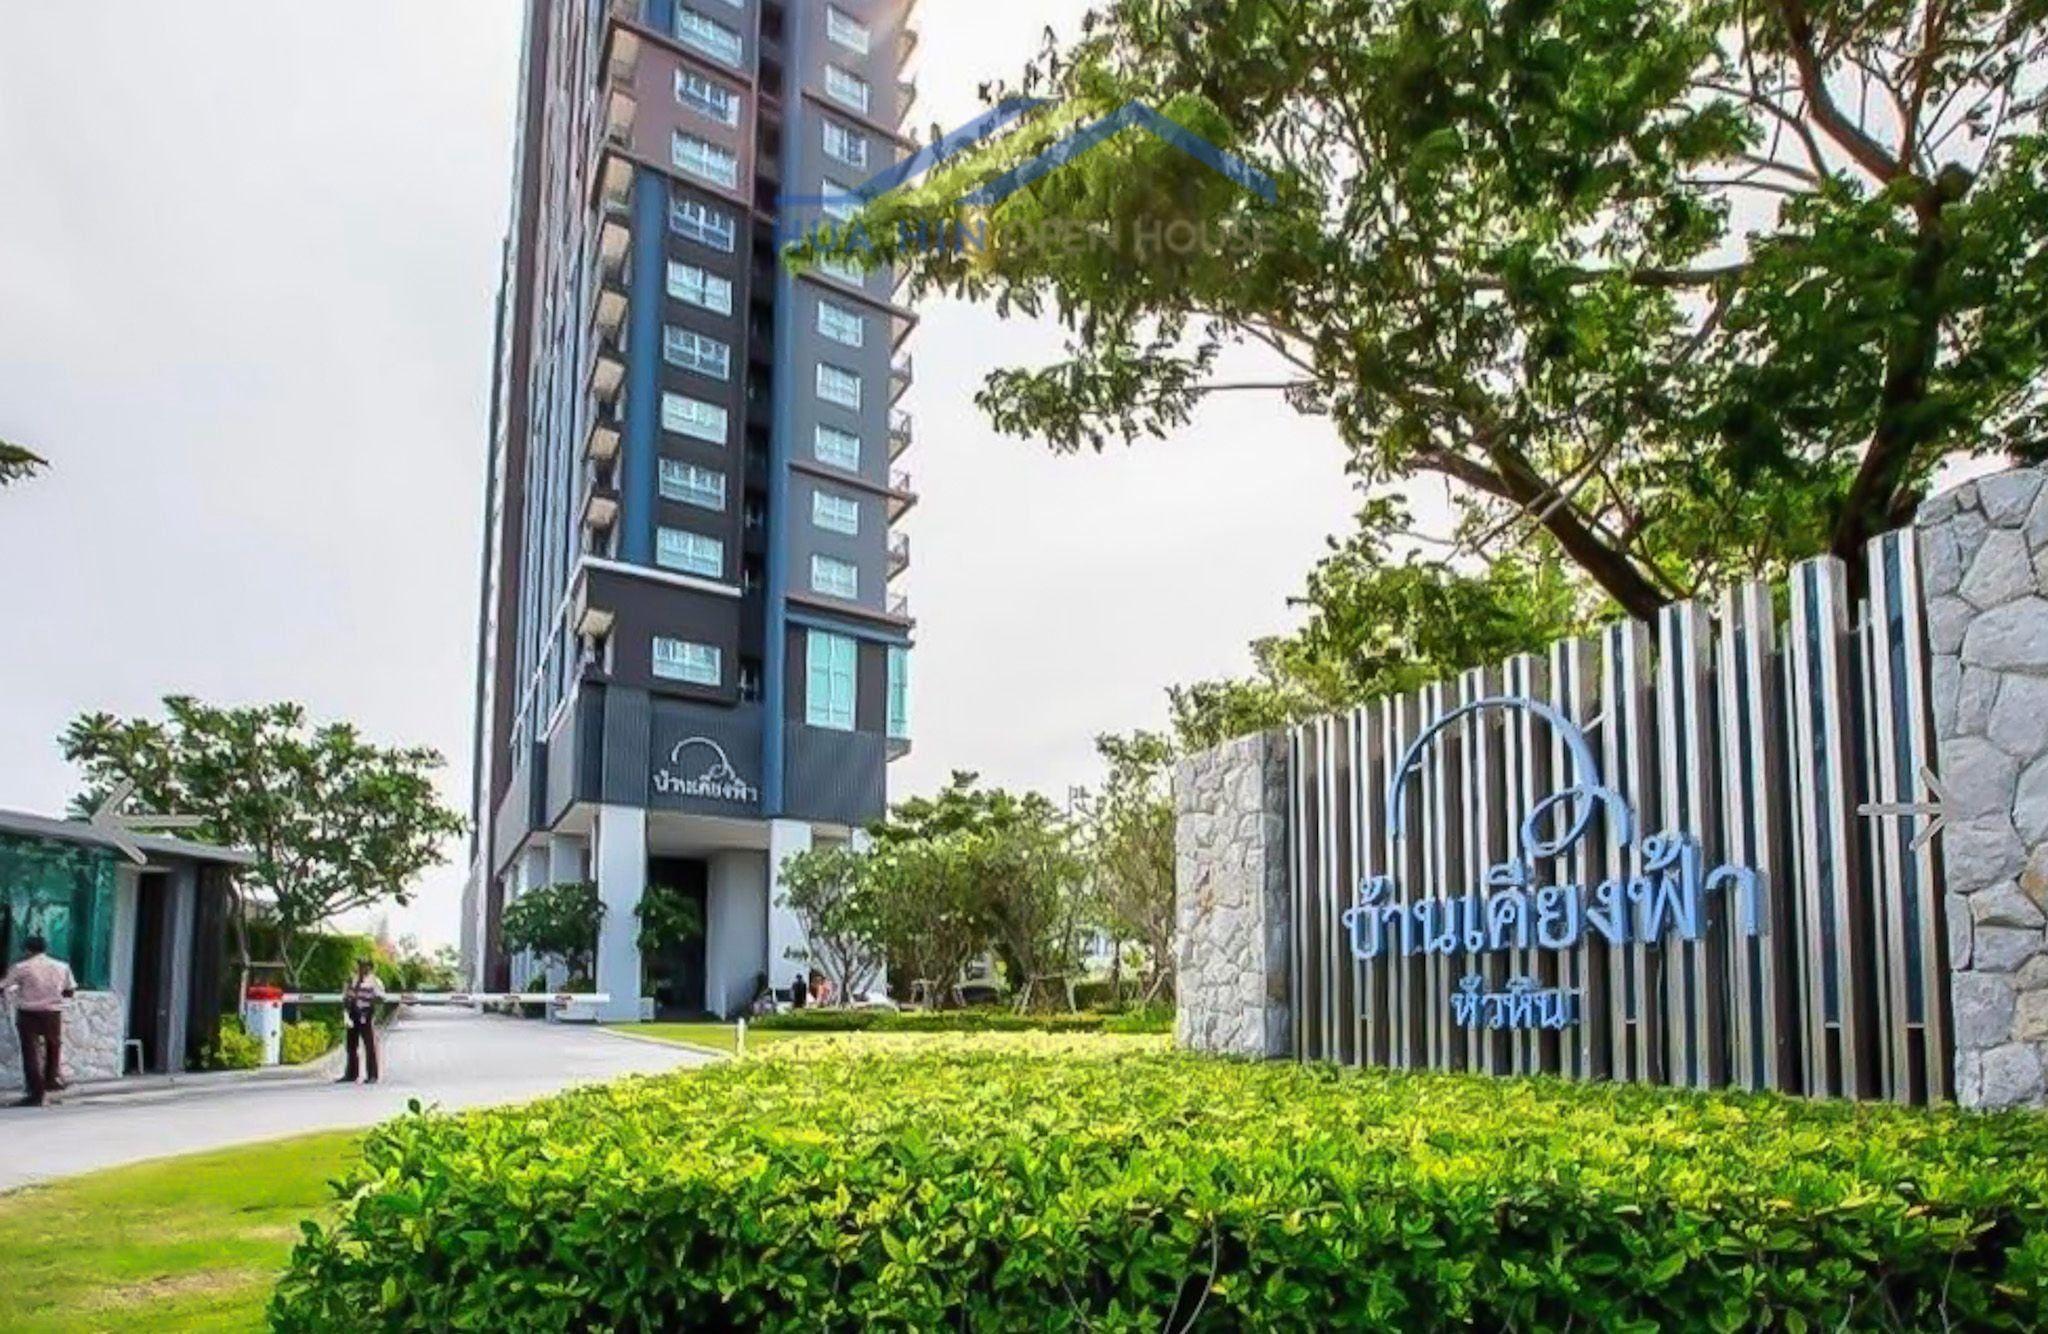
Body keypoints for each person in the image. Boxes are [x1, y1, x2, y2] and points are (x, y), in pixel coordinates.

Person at [2, 934, 77, 1108]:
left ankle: (36, 1093)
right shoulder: (61, 966)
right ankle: (51, 1080)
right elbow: (70, 990)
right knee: (53, 1047)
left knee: (31, 1053)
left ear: (27, 950)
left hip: (29, 1012)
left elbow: (4, 985)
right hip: (53, 1013)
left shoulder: (21, 967)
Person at [337, 959, 383, 1084]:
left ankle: (372, 1075)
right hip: (353, 1013)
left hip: (366, 1014)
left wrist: (370, 1004)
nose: (362, 968)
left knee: (369, 1045)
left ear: (370, 968)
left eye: (365, 966)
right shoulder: (353, 979)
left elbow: (381, 998)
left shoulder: (375, 981)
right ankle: (351, 1074)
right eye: (360, 965)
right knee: (351, 1045)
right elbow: (346, 995)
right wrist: (348, 1001)